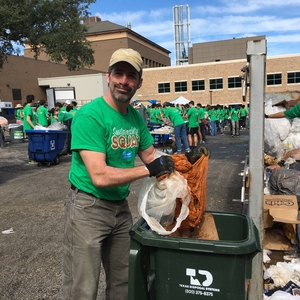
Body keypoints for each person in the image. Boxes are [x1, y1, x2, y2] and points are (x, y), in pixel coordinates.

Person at [62, 48, 174, 300]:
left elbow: (149, 155)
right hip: (87, 207)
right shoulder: (90, 116)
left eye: (131, 76)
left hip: (119, 209)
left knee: (124, 281)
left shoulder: (135, 117)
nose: (124, 81)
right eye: (119, 73)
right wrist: (148, 170)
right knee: (82, 287)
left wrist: (176, 164)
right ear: (108, 76)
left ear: (139, 82)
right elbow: (99, 176)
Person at [23, 94, 37, 164]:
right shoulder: (28, 108)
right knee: (31, 144)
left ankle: (32, 158)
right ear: (32, 100)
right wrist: (34, 127)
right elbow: (28, 119)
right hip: (30, 128)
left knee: (31, 143)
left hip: (28, 128)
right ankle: (31, 159)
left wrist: (37, 124)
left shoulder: (26, 107)